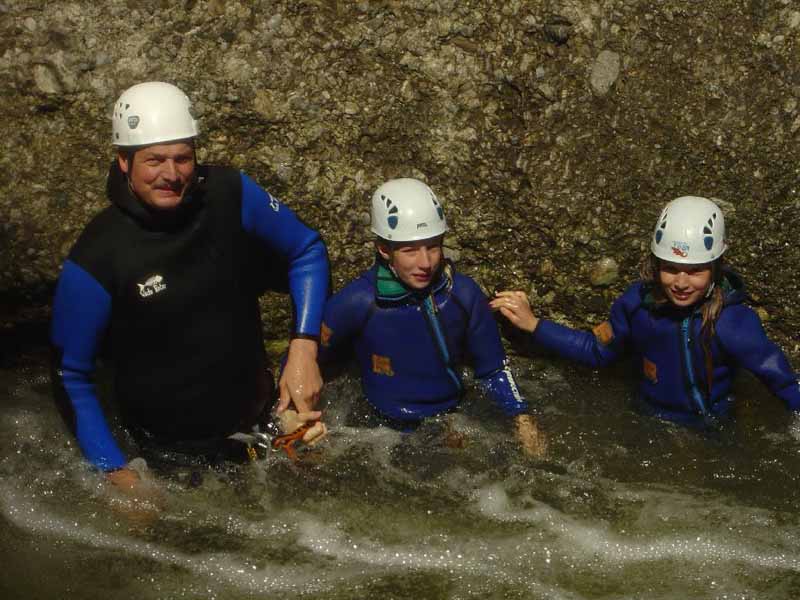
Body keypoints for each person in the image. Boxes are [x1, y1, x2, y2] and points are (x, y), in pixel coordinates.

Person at [50, 82, 330, 492]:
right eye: (155, 160)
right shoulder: (98, 255)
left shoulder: (230, 193)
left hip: (265, 423)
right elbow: (69, 373)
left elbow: (306, 249)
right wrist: (117, 473)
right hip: (169, 455)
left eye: (183, 158)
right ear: (123, 162)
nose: (172, 174)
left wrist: (303, 350)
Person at [491, 195, 800, 427]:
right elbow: (596, 351)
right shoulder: (637, 305)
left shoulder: (732, 322)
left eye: (694, 271)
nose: (680, 282)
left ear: (716, 268)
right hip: (649, 422)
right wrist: (535, 325)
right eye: (670, 269)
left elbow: (781, 381)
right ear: (656, 266)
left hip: (710, 429)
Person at [318, 178, 545, 454]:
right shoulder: (358, 302)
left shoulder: (462, 294)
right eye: (410, 250)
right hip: (380, 433)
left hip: (452, 419)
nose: (425, 263)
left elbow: (494, 368)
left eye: (433, 246)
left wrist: (521, 417)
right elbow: (306, 357)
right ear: (384, 249)